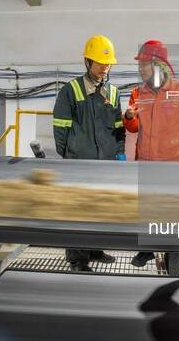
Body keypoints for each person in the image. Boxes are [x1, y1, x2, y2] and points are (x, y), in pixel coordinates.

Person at [53, 34, 126, 272]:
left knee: (101, 209)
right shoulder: (71, 91)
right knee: (78, 211)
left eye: (108, 64)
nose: (105, 68)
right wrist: (70, 157)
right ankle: (77, 259)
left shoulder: (113, 93)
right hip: (79, 163)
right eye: (100, 63)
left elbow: (118, 127)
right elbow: (61, 128)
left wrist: (119, 154)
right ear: (87, 61)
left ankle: (95, 250)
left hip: (105, 162)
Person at [123, 40, 179, 266]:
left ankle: (171, 254)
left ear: (158, 65)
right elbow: (133, 129)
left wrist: (177, 150)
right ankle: (147, 251)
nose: (140, 68)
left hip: (173, 165)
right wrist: (128, 117)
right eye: (139, 64)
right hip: (146, 163)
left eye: (144, 63)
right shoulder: (138, 93)